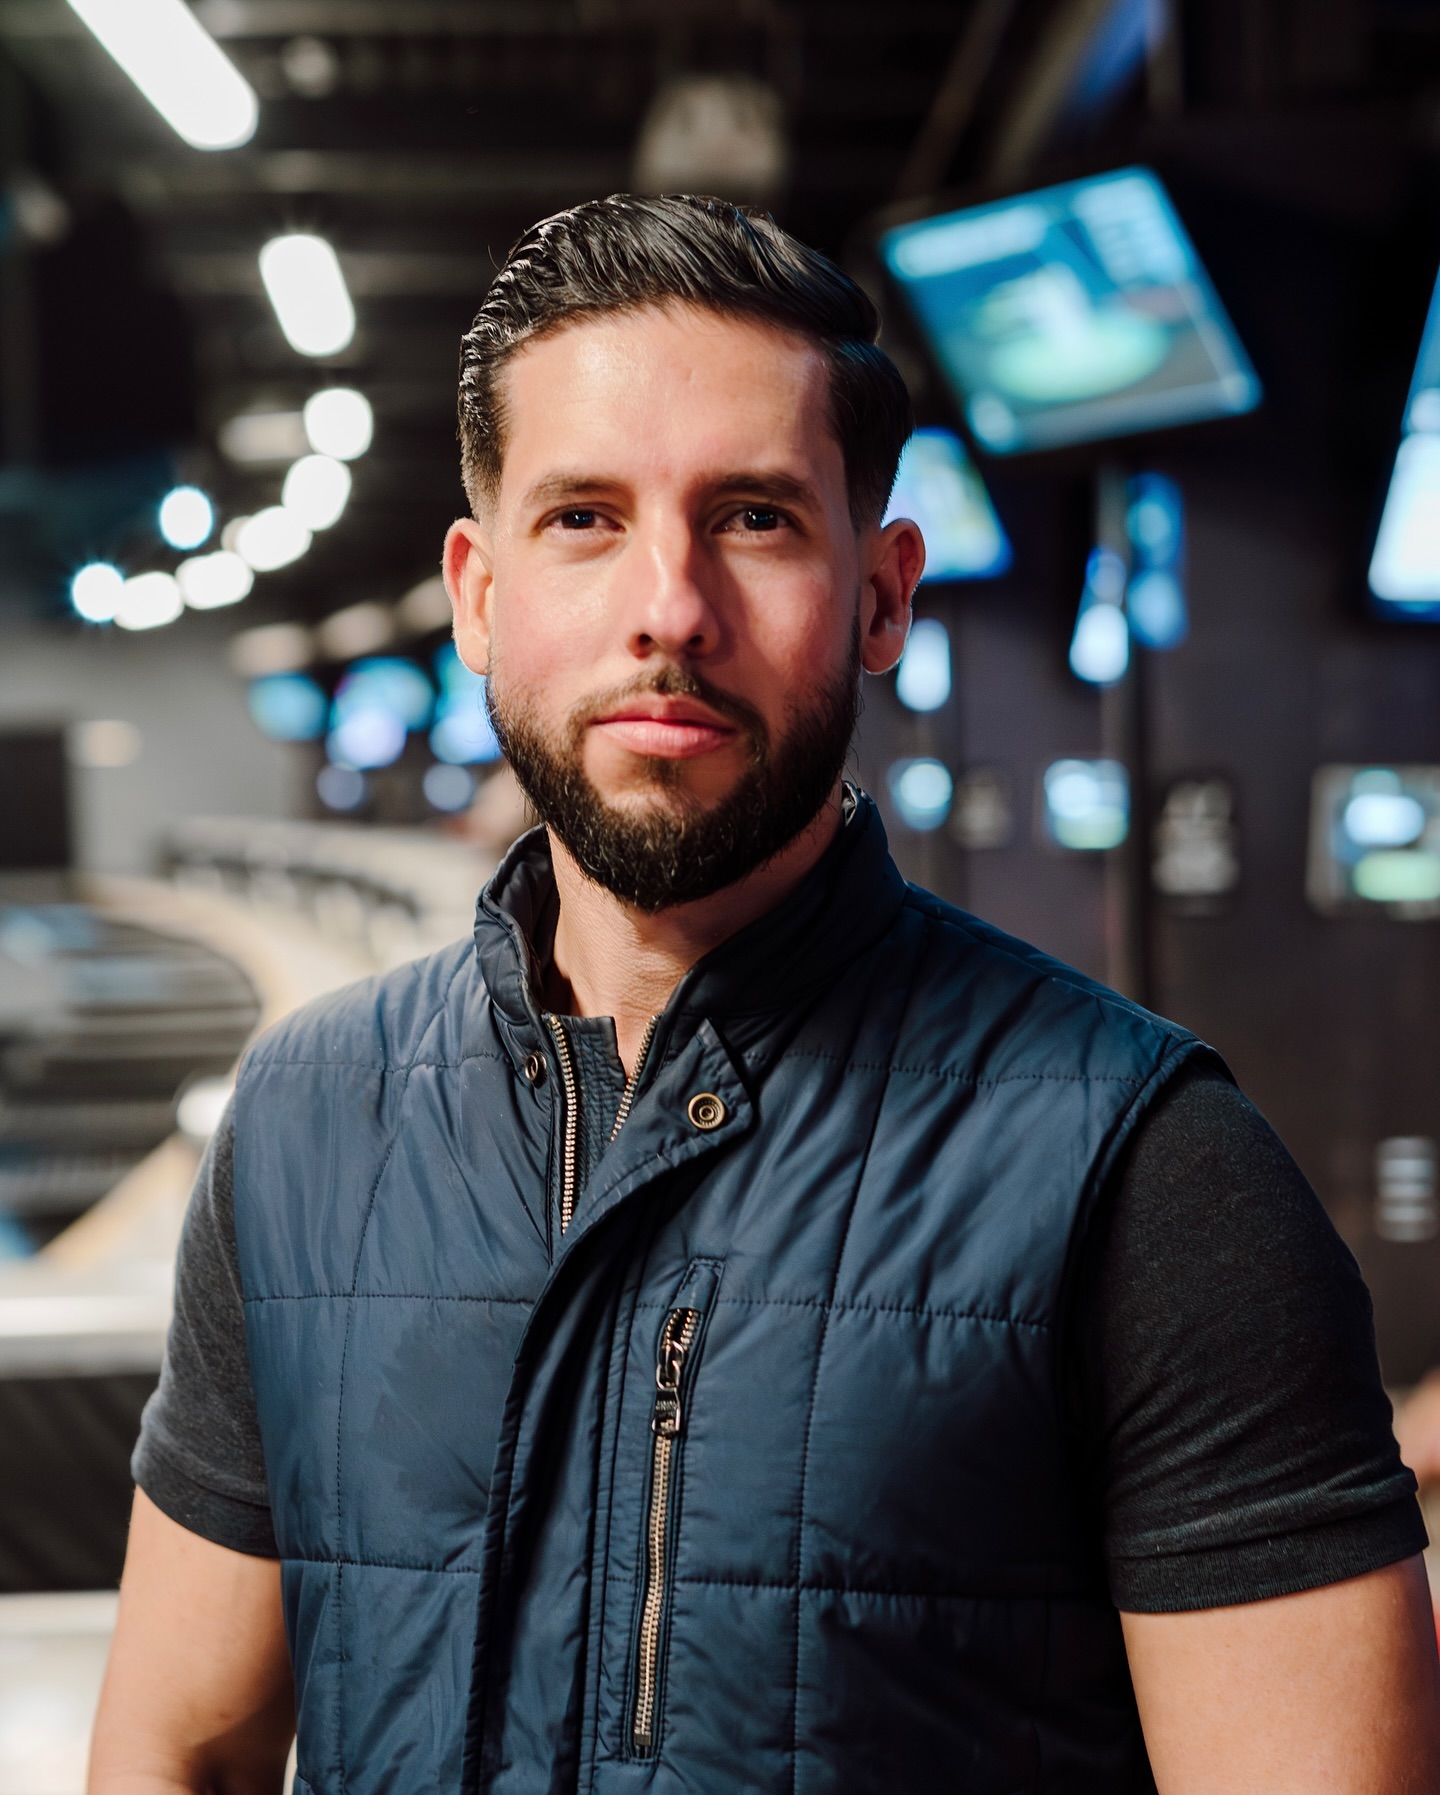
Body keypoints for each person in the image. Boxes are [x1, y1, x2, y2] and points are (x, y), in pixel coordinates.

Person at [91, 195, 1440, 1795]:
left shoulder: (1149, 1171)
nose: (669, 607)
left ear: (880, 596)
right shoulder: (309, 1121)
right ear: (475, 592)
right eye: (584, 518)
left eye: (752, 518)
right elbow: (181, 1750)